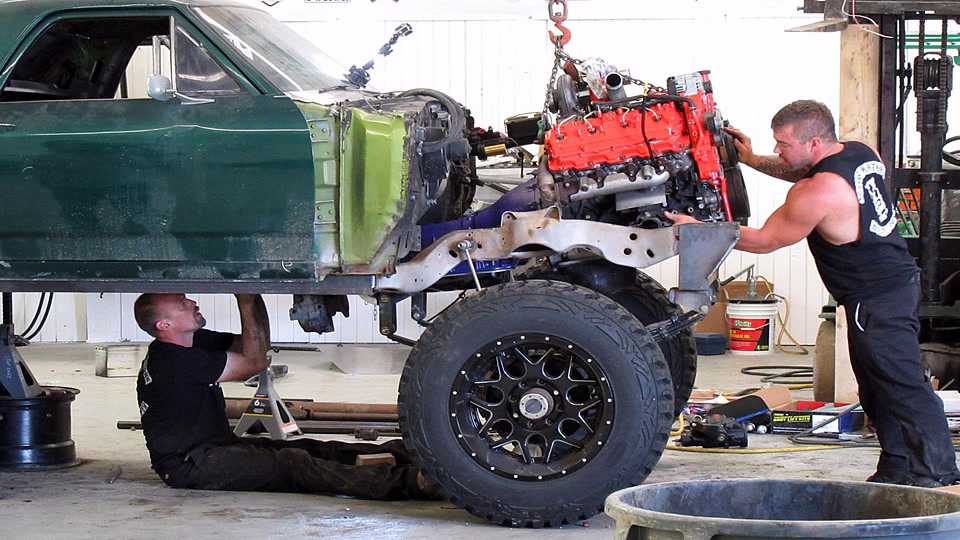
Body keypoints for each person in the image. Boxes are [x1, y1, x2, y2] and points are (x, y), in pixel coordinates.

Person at [668, 99, 960, 487]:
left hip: (875, 298)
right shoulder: (861, 152)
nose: (777, 151)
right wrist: (750, 160)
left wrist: (696, 228)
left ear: (815, 142)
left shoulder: (817, 191)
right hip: (895, 284)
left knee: (902, 386)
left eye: (784, 144)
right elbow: (805, 171)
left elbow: (765, 241)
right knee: (877, 387)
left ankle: (938, 474)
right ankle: (898, 466)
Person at [133, 292, 437, 499]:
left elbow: (257, 344)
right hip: (190, 465)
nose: (192, 302)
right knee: (293, 463)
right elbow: (254, 362)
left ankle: (406, 454)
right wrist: (244, 301)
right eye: (182, 305)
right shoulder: (173, 362)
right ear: (164, 325)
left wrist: (254, 295)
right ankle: (411, 483)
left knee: (310, 448)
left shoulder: (190, 342)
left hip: (215, 447)